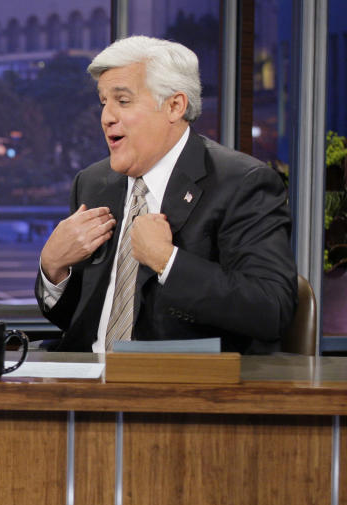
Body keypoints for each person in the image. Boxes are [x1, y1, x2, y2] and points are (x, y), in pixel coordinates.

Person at [35, 36, 297, 354]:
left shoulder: (242, 183)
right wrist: (54, 268)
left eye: (123, 101)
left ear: (174, 106)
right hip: (88, 387)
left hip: (181, 391)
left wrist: (167, 261)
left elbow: (271, 310)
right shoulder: (93, 183)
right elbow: (82, 321)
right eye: (104, 102)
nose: (107, 117)